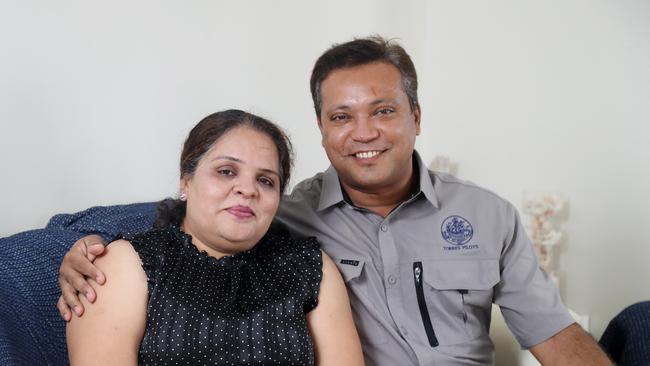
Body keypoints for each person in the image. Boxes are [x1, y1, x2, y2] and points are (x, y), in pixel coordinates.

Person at [58, 37, 612, 365]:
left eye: (384, 110)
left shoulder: (488, 216)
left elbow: (554, 334)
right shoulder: (286, 215)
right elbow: (198, 224)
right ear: (323, 131)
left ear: (416, 118)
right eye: (341, 117)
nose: (363, 132)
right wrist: (80, 248)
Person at [65, 109, 364, 365]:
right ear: (186, 181)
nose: (248, 190)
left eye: (265, 180)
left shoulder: (310, 268)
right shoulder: (126, 264)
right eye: (226, 171)